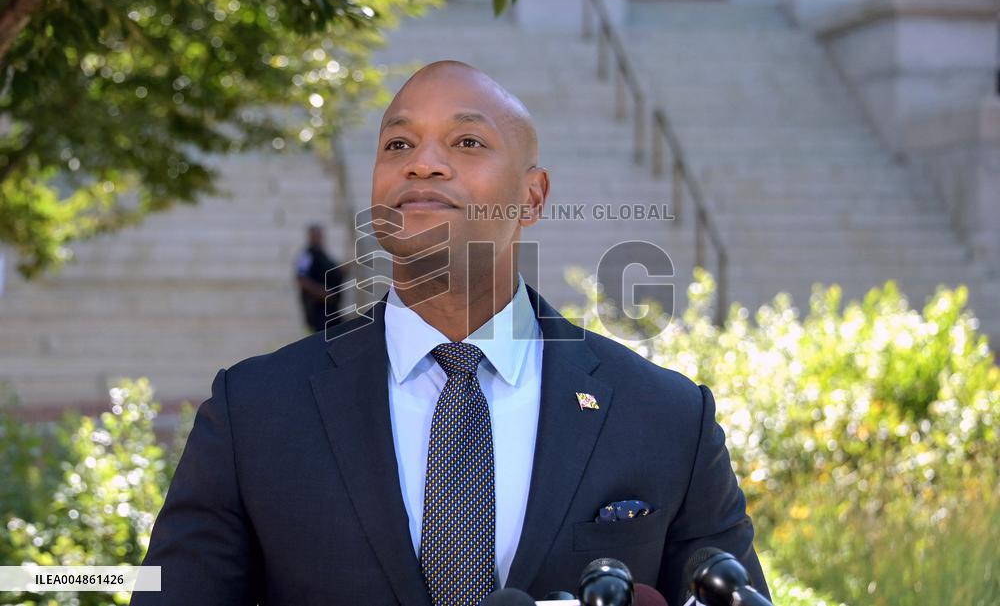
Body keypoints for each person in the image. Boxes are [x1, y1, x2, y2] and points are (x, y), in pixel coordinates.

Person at [132, 60, 769, 606]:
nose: (424, 165)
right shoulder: (253, 413)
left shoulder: (666, 417)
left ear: (532, 197)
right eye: (399, 145)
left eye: (466, 142)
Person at [295, 223, 344, 332]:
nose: (318, 238)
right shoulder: (306, 256)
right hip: (318, 310)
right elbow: (301, 279)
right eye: (315, 235)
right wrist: (323, 293)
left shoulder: (324, 255)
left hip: (332, 310)